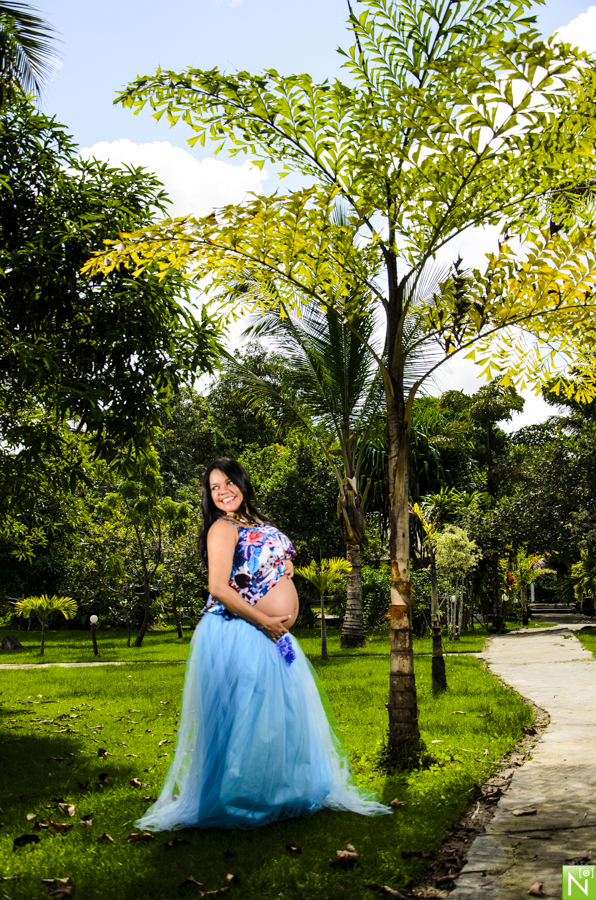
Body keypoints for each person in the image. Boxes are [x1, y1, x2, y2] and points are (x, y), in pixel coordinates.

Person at [135, 458, 391, 831]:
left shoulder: (255, 522)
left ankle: (277, 791)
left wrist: (285, 566)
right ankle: (241, 797)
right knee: (246, 719)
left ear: (242, 482)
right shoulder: (222, 527)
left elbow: (261, 561)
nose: (222, 492)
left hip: (267, 632)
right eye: (214, 488)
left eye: (228, 482)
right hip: (238, 630)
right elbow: (218, 588)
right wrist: (264, 621)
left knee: (275, 719)